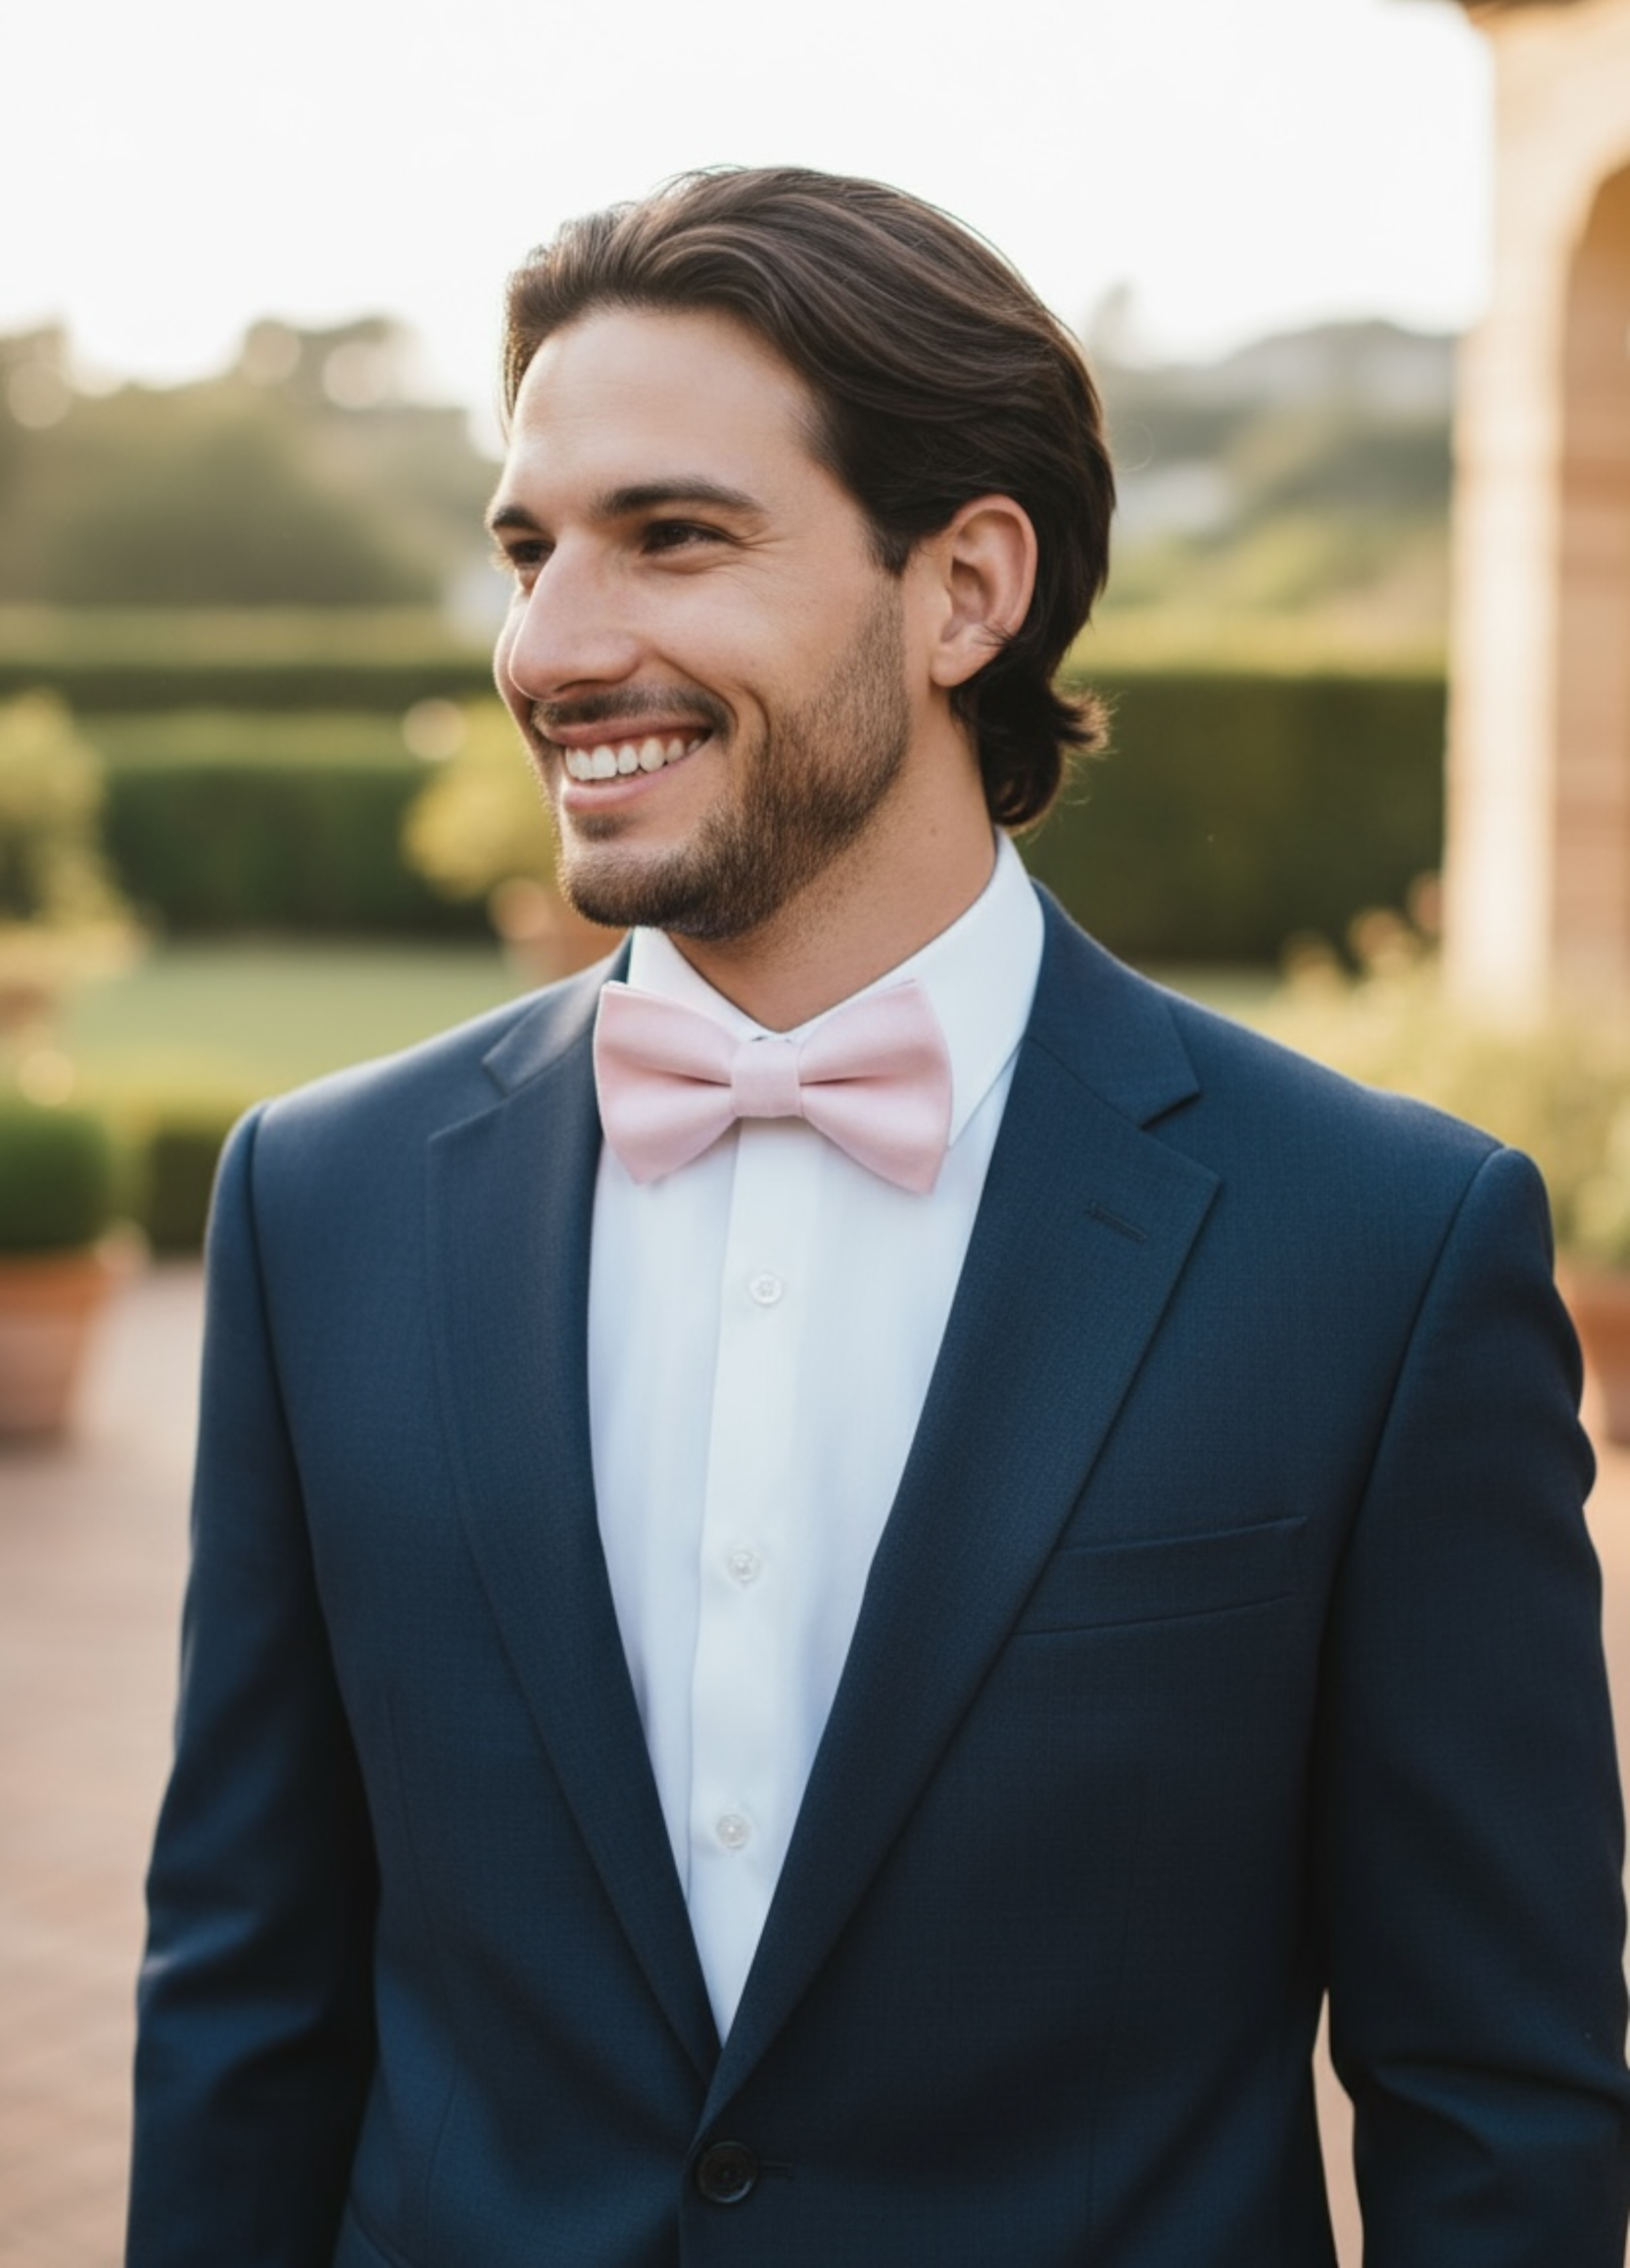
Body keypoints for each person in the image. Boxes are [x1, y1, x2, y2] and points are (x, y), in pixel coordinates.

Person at [128, 167, 1630, 2267]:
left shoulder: (1375, 1252)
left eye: (674, 536)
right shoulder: (323, 1205)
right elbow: (246, 2005)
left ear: (965, 591)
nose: (553, 644)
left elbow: (1495, 2094)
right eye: (528, 549)